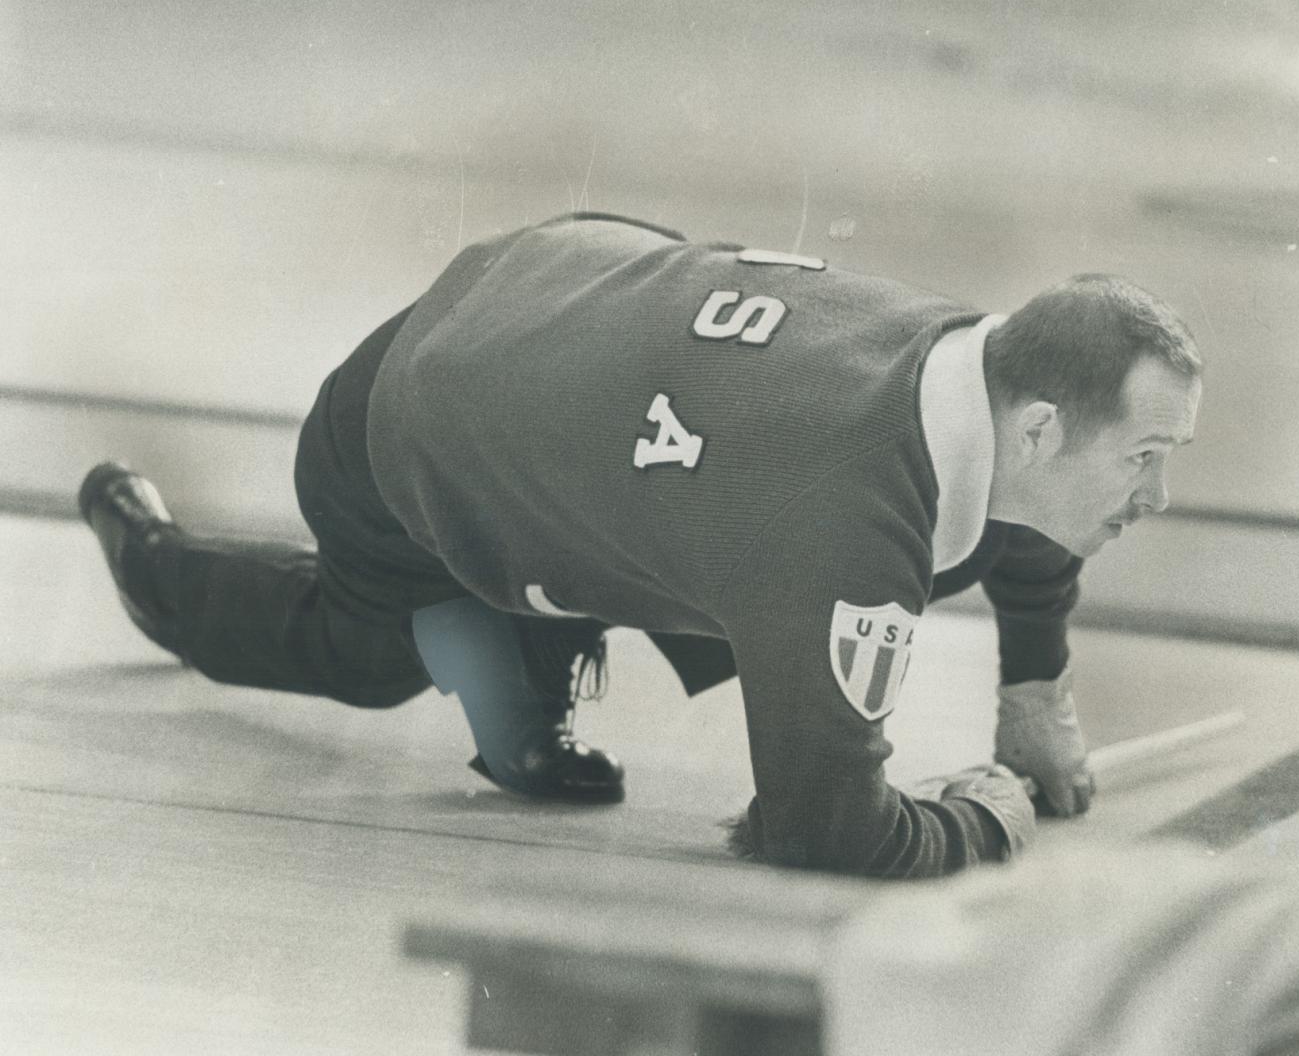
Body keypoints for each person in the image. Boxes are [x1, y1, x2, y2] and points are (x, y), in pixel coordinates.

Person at [78, 211, 1201, 879]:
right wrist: (981, 822)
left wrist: (1036, 686)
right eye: (1142, 456)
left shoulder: (978, 363)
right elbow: (826, 830)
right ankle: (151, 562)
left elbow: (1031, 508)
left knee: (583, 638)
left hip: (551, 301)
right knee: (375, 657)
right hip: (397, 430)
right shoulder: (850, 523)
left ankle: (521, 655)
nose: (1155, 495)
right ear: (1044, 427)